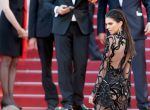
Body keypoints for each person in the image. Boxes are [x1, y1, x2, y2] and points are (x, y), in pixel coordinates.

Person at [97, 0, 150, 109]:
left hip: (136, 30)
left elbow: (148, 3)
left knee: (139, 71)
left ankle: (143, 104)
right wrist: (101, 30)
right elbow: (101, 9)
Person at [43, 0, 92, 109]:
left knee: (81, 65)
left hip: (82, 25)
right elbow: (45, 3)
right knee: (64, 65)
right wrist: (57, 9)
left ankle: (78, 102)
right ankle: (67, 102)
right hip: (61, 26)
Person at [89, 9, 136, 110]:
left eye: (110, 24)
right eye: (106, 24)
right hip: (121, 88)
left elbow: (103, 68)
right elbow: (127, 70)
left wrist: (94, 92)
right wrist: (125, 91)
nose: (107, 27)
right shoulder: (129, 41)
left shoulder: (111, 39)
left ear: (120, 23)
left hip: (107, 85)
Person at [28, 1, 59, 110]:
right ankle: (51, 100)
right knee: (46, 67)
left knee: (66, 64)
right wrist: (31, 35)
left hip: (62, 27)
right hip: (42, 29)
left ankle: (69, 99)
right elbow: (33, 9)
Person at [0, 0, 27, 109]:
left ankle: (11, 97)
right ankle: (5, 97)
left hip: (19, 23)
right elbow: (6, 9)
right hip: (8, 24)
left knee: (15, 61)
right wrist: (19, 28)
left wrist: (21, 28)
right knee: (6, 60)